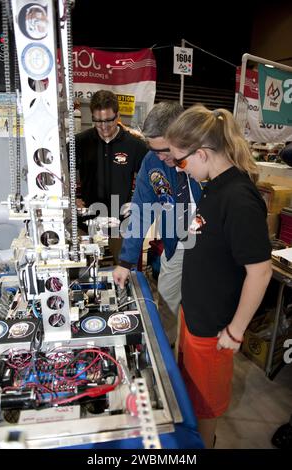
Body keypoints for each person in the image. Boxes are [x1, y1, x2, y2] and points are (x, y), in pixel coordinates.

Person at [165, 104, 272, 448]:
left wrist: (236, 330)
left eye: (182, 161)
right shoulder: (213, 185)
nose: (181, 170)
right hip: (195, 318)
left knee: (205, 413)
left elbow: (260, 271)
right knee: (192, 403)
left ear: (203, 153)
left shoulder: (239, 198)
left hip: (214, 332)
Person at [113, 101, 203, 345]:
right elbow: (141, 211)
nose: (162, 158)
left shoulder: (207, 157)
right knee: (166, 300)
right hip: (177, 244)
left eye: (165, 150)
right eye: (155, 151)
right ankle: (168, 352)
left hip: (212, 248)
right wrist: (126, 261)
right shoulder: (153, 162)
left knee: (204, 311)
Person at [75, 90, 147, 263]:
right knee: (84, 272)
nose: (104, 126)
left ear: (118, 116)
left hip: (121, 222)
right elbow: (61, 175)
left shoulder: (135, 146)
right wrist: (71, 197)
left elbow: (148, 181)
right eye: (98, 121)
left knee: (125, 270)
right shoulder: (79, 143)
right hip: (87, 222)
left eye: (109, 120)